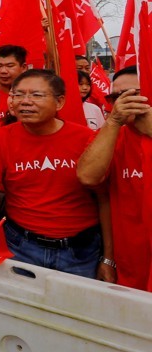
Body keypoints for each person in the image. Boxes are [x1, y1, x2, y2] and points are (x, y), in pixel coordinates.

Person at [0, 70, 111, 280]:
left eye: (36, 95)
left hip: (80, 251)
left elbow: (104, 198)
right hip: (21, 247)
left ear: (60, 102)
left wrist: (108, 258)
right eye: (17, 95)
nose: (25, 102)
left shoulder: (86, 138)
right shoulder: (0, 138)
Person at [77, 66, 151, 289]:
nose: (121, 101)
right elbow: (88, 177)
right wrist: (113, 123)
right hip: (132, 265)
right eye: (115, 97)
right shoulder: (111, 135)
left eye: (132, 94)